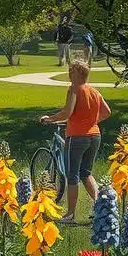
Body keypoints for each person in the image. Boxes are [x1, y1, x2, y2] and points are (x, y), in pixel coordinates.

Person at [39, 60, 112, 224]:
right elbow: (107, 112)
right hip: (95, 136)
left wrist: (49, 119)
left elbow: (67, 112)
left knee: (72, 175)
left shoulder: (74, 89)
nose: (69, 74)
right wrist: (91, 121)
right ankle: (102, 207)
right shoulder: (95, 91)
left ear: (77, 74)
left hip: (77, 137)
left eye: (71, 71)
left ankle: (70, 215)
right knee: (86, 173)